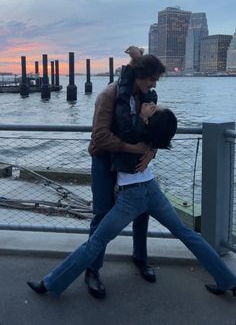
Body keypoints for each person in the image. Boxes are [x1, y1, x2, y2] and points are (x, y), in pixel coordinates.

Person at [27, 62, 236, 298]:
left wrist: (146, 142)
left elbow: (121, 130)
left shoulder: (134, 127)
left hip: (132, 196)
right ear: (141, 77)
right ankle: (228, 279)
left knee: (94, 243)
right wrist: (147, 143)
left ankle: (50, 283)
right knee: (187, 235)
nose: (153, 94)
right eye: (152, 80)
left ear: (146, 123)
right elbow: (106, 136)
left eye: (152, 110)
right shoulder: (124, 107)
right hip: (151, 189)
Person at [84, 50, 166, 298]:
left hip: (133, 160)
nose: (154, 85)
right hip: (104, 160)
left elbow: (154, 129)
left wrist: (151, 151)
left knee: (142, 212)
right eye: (152, 79)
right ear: (140, 75)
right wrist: (134, 148)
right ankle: (92, 269)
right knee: (102, 213)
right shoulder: (108, 95)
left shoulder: (145, 96)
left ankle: (140, 257)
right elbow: (99, 137)